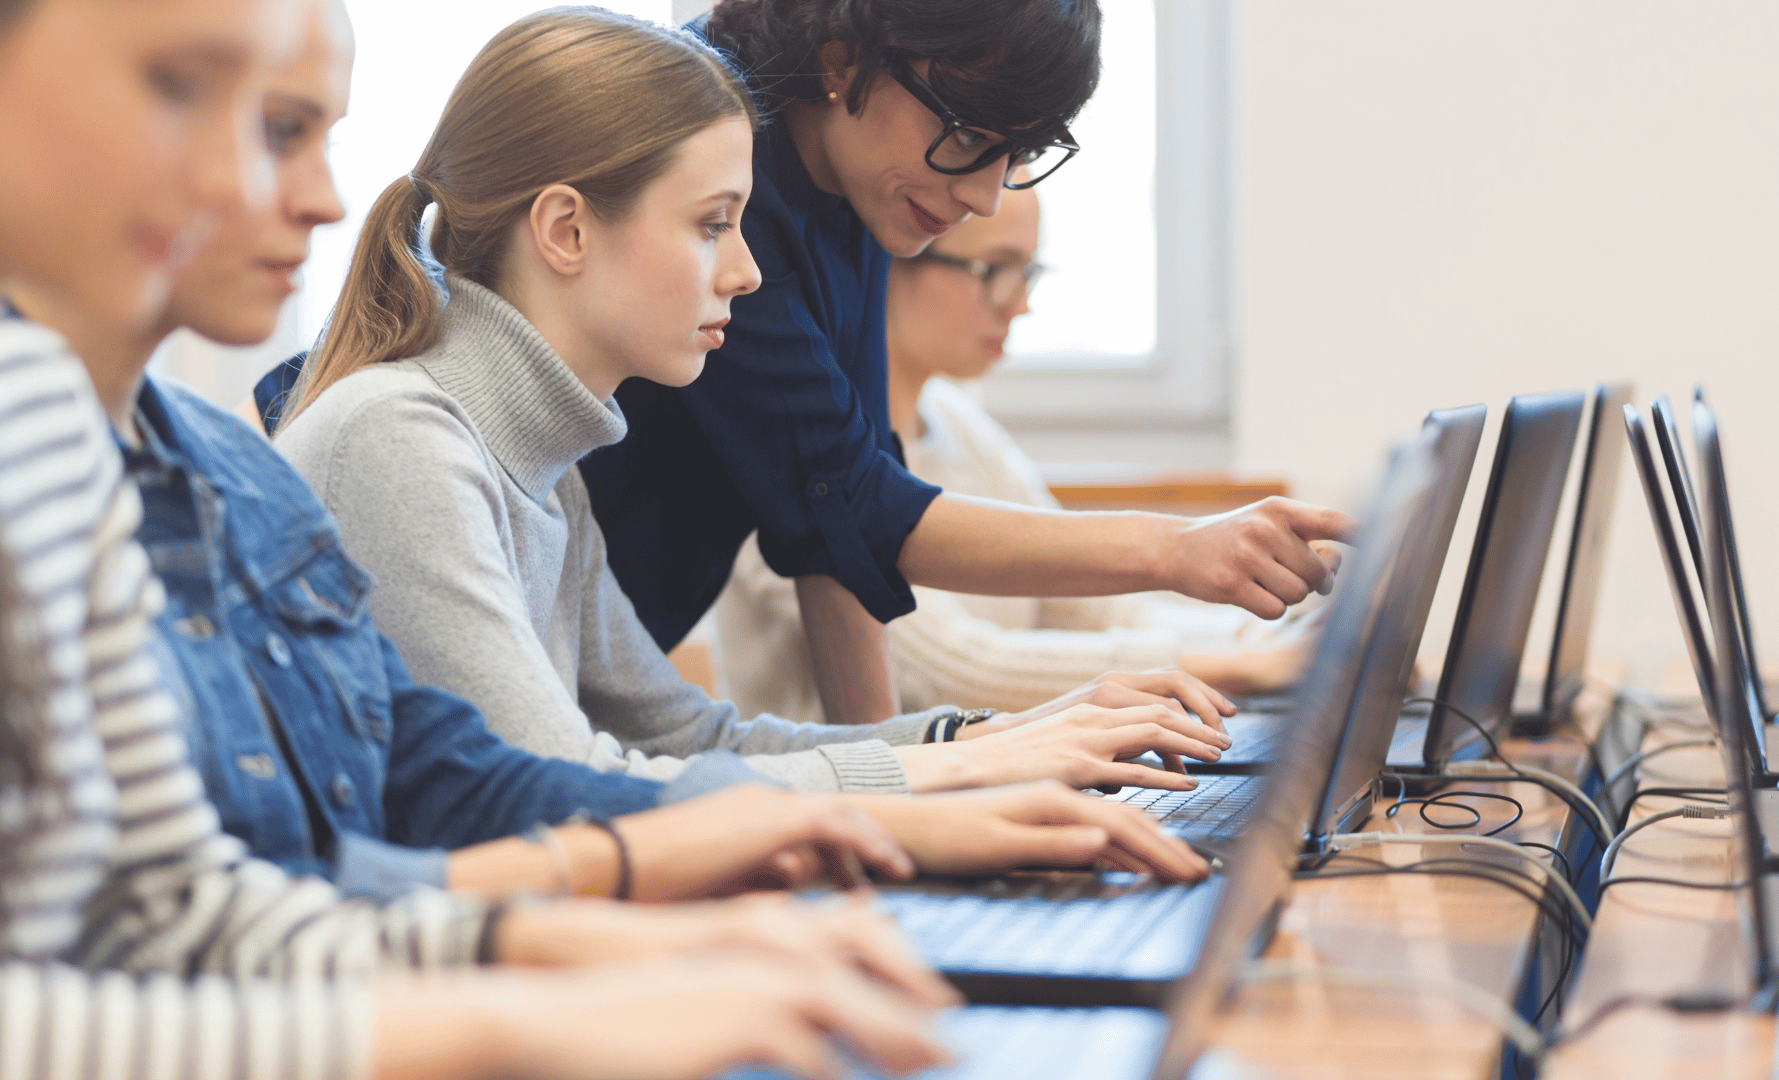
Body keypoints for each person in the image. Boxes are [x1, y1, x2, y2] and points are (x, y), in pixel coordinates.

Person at [10, 2, 1214, 903]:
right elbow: (539, 797)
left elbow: (658, 750)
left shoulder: (540, 462)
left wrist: (971, 750)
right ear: (567, 229)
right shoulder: (395, 440)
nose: (746, 273)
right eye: (712, 226)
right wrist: (930, 797)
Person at [0, 0, 955, 1075]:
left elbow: (200, 914)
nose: (309, 197)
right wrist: (528, 993)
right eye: (188, 94)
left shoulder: (163, 451)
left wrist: (551, 931)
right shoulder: (382, 437)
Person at [258, 0, 1356, 729]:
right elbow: (864, 511)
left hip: (586, 723)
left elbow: (831, 541)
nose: (982, 194)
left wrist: (928, 779)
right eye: (973, 136)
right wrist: (1172, 553)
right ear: (845, 66)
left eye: (1019, 155)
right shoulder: (413, 445)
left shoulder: (846, 202)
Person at [718, 184, 1324, 722]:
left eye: (1029, 272)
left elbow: (1097, 616)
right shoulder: (790, 446)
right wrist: (1251, 665)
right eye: (993, 268)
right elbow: (957, 672)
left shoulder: (959, 424)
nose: (1020, 302)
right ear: (892, 259)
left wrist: (1283, 631)